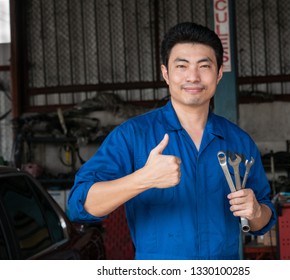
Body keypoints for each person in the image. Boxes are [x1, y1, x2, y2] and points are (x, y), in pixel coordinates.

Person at [67, 22, 276, 260]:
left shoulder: (239, 141)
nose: (193, 77)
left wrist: (256, 211)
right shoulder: (133, 135)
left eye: (204, 66)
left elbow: (263, 220)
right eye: (182, 66)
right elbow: (78, 206)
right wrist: (143, 179)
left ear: (218, 74)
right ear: (166, 73)